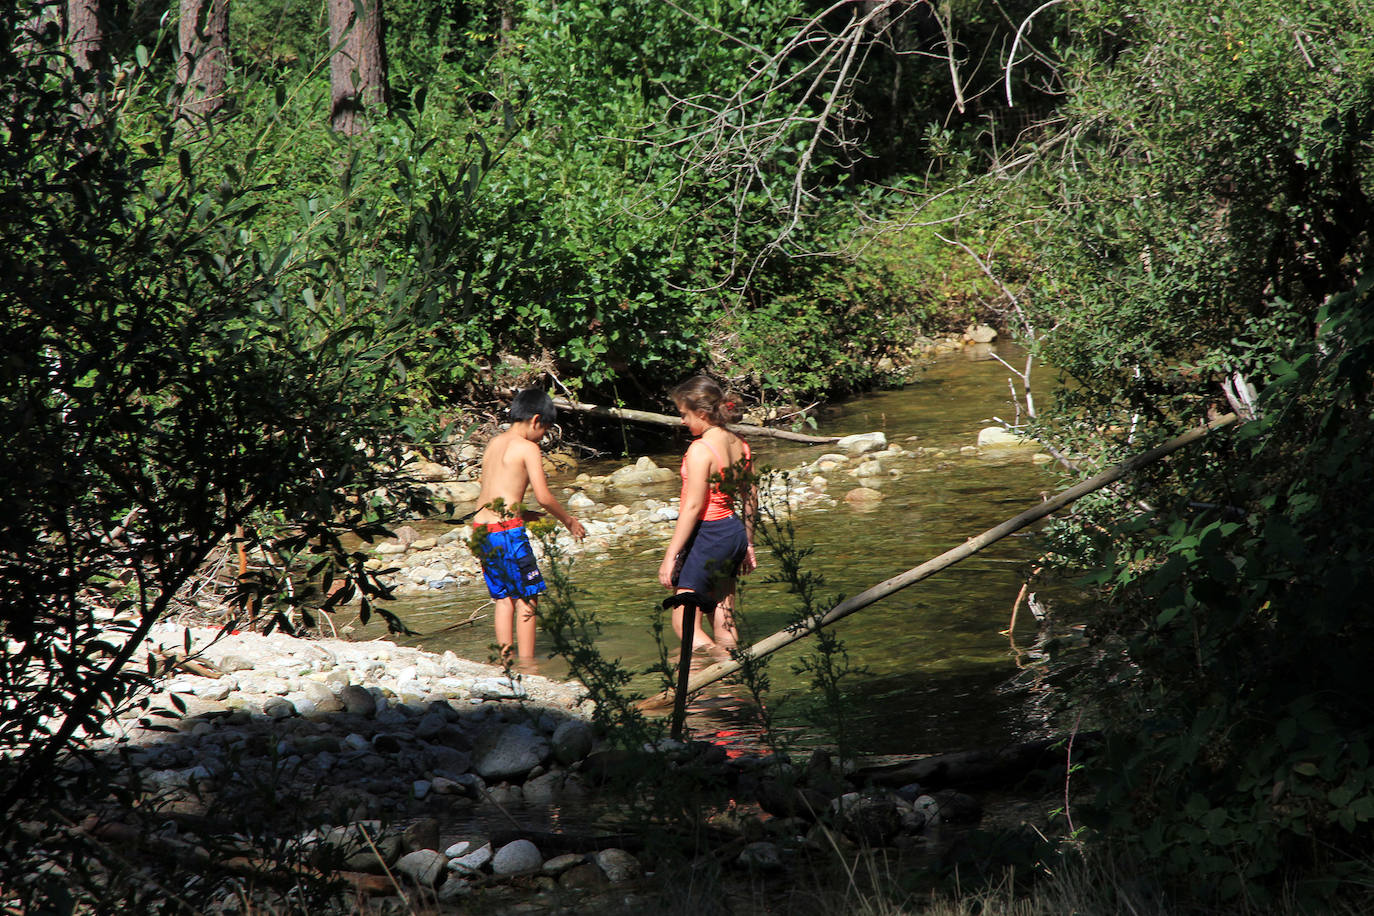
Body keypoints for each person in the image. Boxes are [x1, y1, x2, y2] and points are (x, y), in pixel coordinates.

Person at [470, 388, 585, 660]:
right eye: (544, 431)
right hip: (507, 533)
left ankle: (506, 661)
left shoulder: (494, 443)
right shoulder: (528, 448)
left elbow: (493, 492)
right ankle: (528, 666)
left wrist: (524, 513)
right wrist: (569, 521)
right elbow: (545, 497)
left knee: (503, 597)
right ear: (535, 421)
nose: (542, 437)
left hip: (482, 530)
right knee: (527, 596)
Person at [657, 376, 757, 651]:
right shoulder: (740, 443)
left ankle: (722, 669)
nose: (682, 421)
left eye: (684, 415)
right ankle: (735, 686)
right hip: (732, 532)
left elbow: (692, 507)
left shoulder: (700, 450)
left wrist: (670, 556)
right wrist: (748, 543)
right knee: (724, 618)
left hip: (708, 534)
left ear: (701, 413)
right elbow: (751, 496)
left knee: (684, 623)